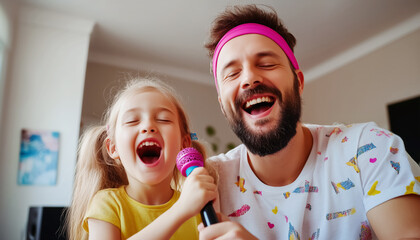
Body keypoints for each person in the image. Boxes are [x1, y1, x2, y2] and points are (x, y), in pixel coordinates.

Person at [199, 4, 420, 240]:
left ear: (299, 82)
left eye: (266, 64)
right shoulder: (208, 183)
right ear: (223, 105)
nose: (250, 78)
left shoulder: (370, 148)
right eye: (232, 73)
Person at [66, 78, 217, 240]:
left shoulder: (197, 206)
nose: (148, 126)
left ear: (184, 145)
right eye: (132, 121)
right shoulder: (107, 204)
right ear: (113, 148)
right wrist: (181, 209)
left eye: (163, 119)